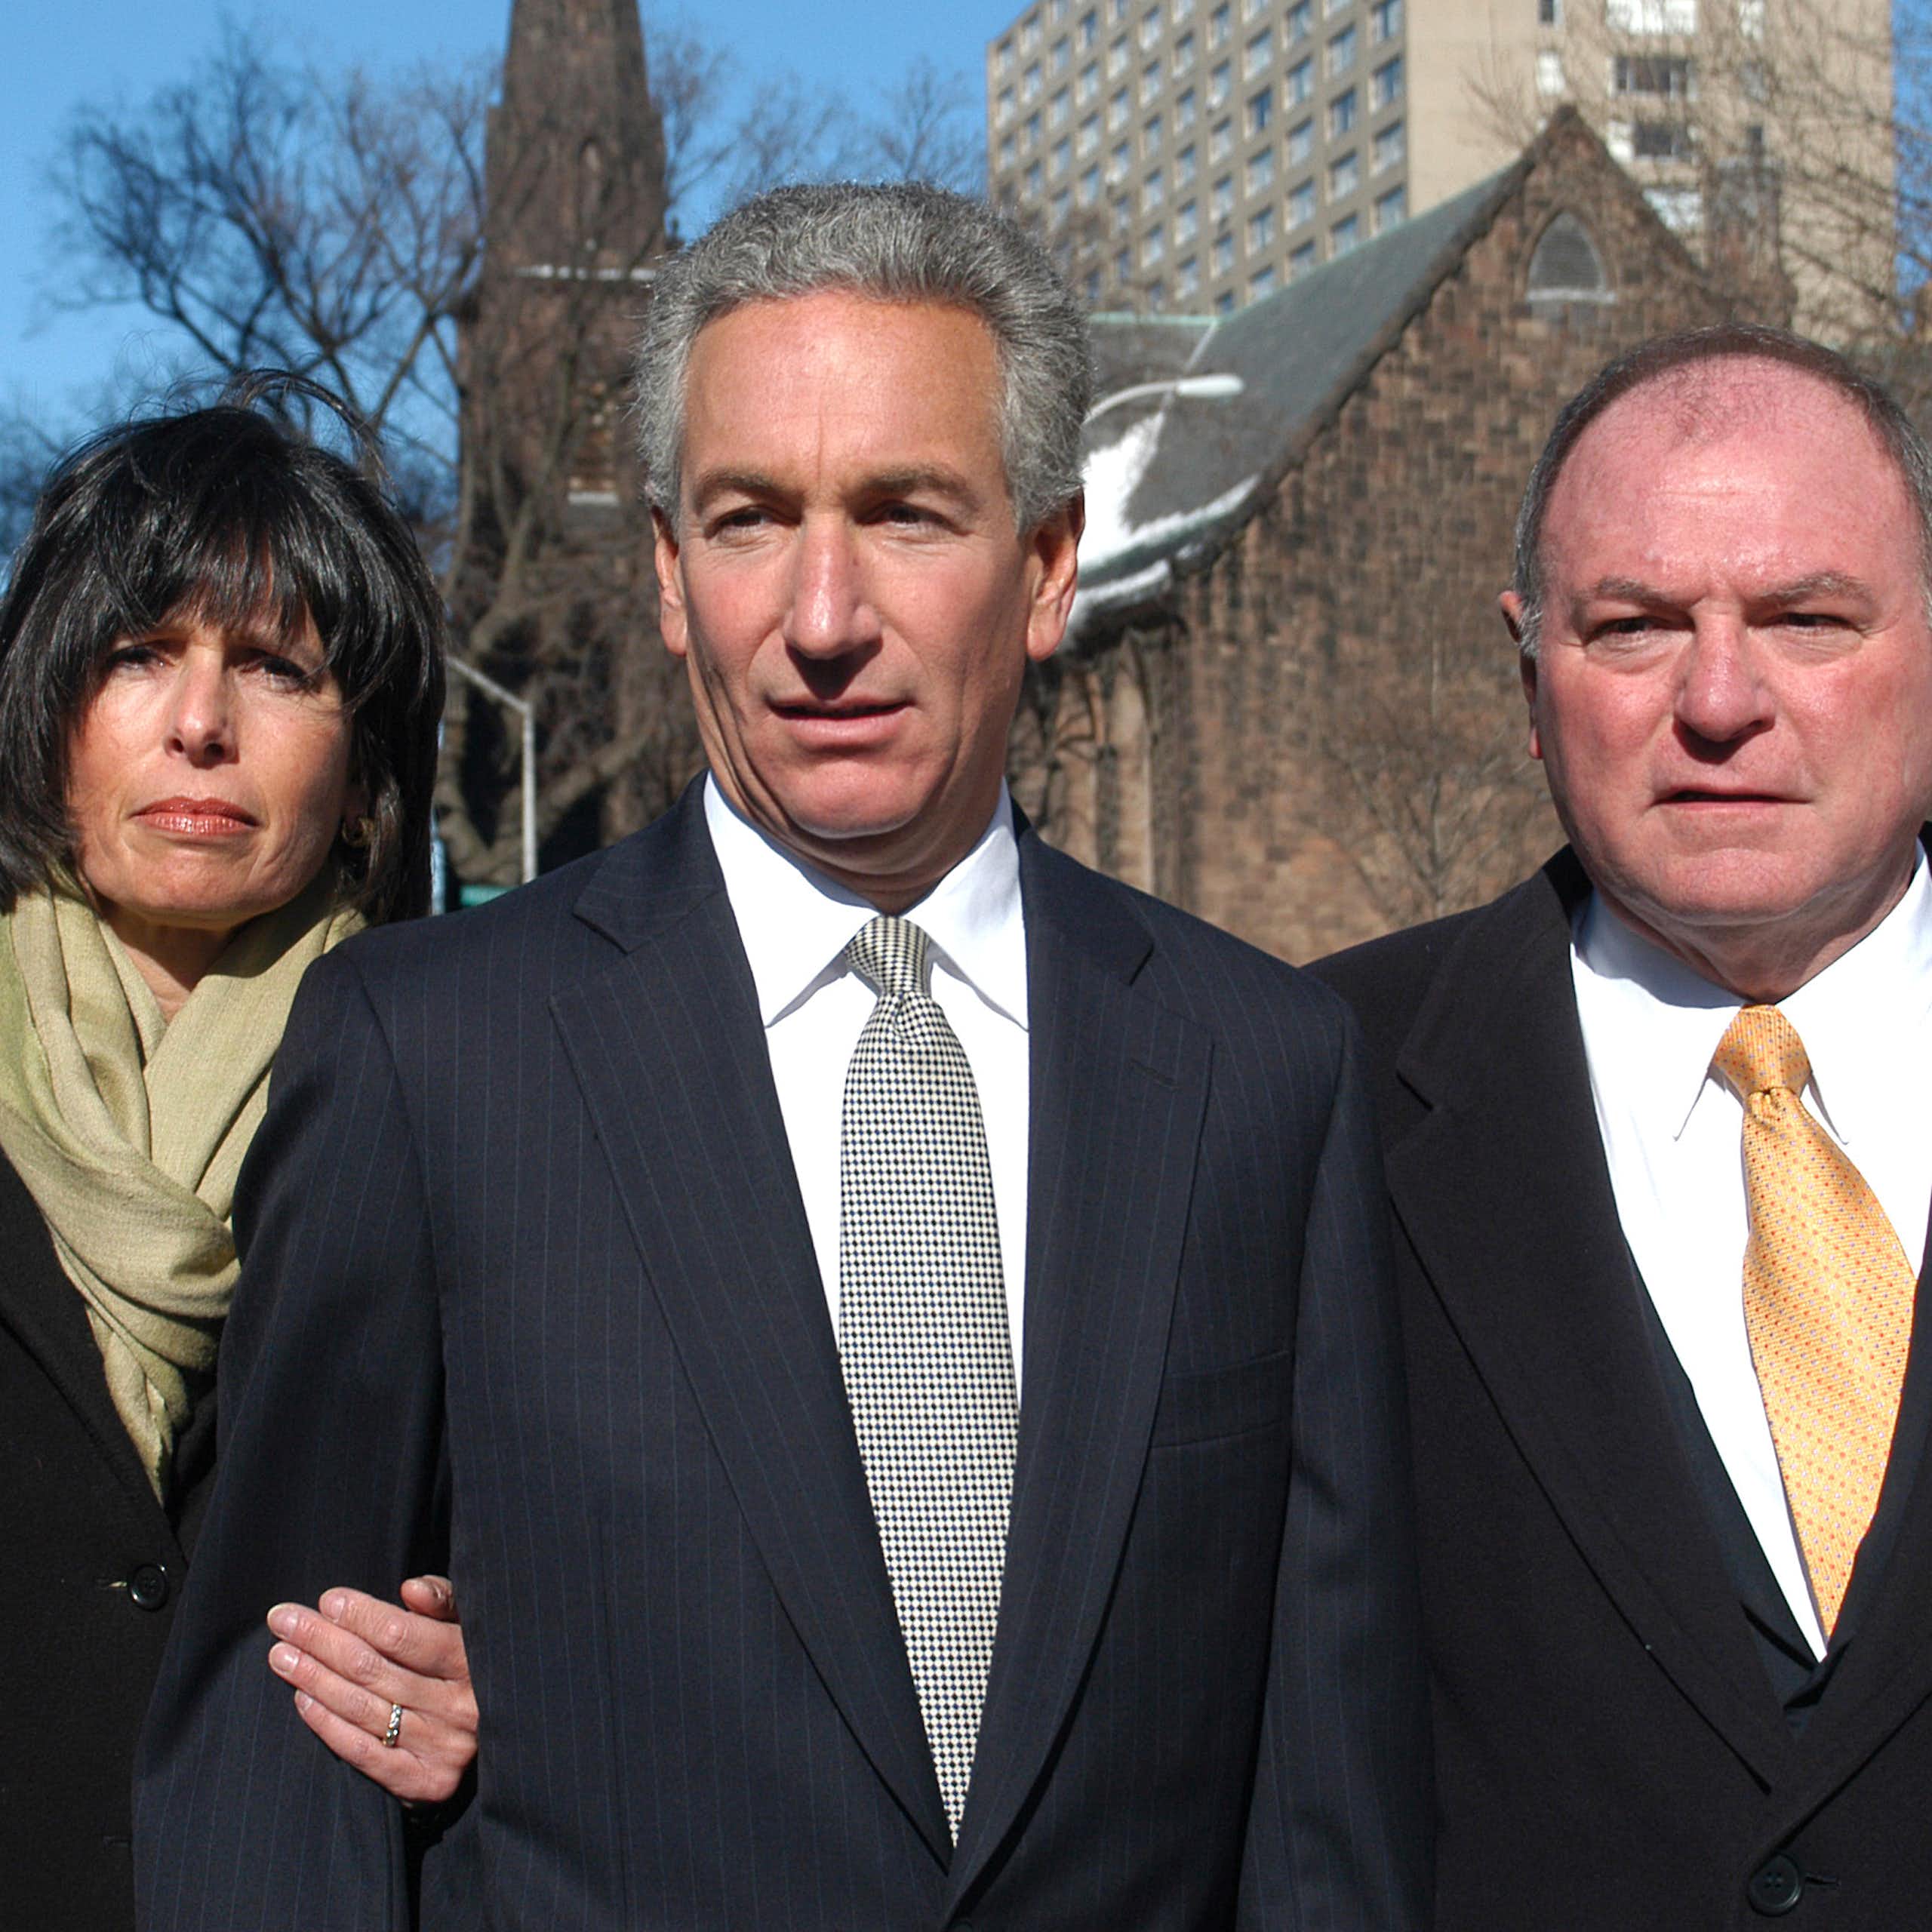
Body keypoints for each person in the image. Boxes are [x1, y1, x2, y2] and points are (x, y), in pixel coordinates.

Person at [136, 183, 1430, 1927]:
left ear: (1045, 566)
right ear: (670, 576)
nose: (823, 615)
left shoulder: (1265, 1074)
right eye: (750, 521)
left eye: (905, 514)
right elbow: (274, 1755)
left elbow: (1325, 1802)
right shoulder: (428, 1054)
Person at [1315, 323, 1932, 1927]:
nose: (1716, 701)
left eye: (1805, 618)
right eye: (1632, 627)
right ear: (1529, 675)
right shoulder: (1295, 1092)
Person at [0, 380, 477, 1929]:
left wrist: (513, 1675)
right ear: (44, 715)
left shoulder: (484, 1096)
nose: (198, 720)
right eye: (137, 653)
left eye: (276, 666)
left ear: (361, 775)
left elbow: (629, 1538)